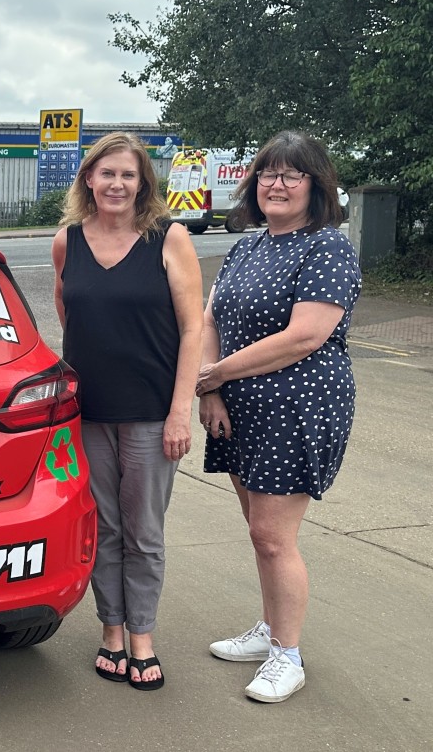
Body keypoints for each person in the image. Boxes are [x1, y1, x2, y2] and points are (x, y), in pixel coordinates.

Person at [197, 130, 361, 703]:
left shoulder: (327, 248)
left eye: (293, 174)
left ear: (317, 186)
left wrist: (214, 376)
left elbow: (304, 337)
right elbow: (210, 320)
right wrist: (212, 391)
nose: (277, 184)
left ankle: (287, 656)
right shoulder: (246, 248)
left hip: (298, 408)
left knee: (272, 536)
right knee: (258, 530)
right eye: (268, 173)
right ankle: (270, 630)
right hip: (239, 405)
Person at [52, 132, 203, 691]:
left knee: (143, 532)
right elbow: (69, 312)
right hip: (88, 413)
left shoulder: (169, 238)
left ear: (143, 184)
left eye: (128, 175)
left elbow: (193, 329)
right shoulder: (67, 240)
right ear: (89, 179)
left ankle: (142, 637)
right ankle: (111, 631)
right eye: (107, 173)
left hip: (150, 413)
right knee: (104, 528)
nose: (117, 184)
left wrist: (180, 411)